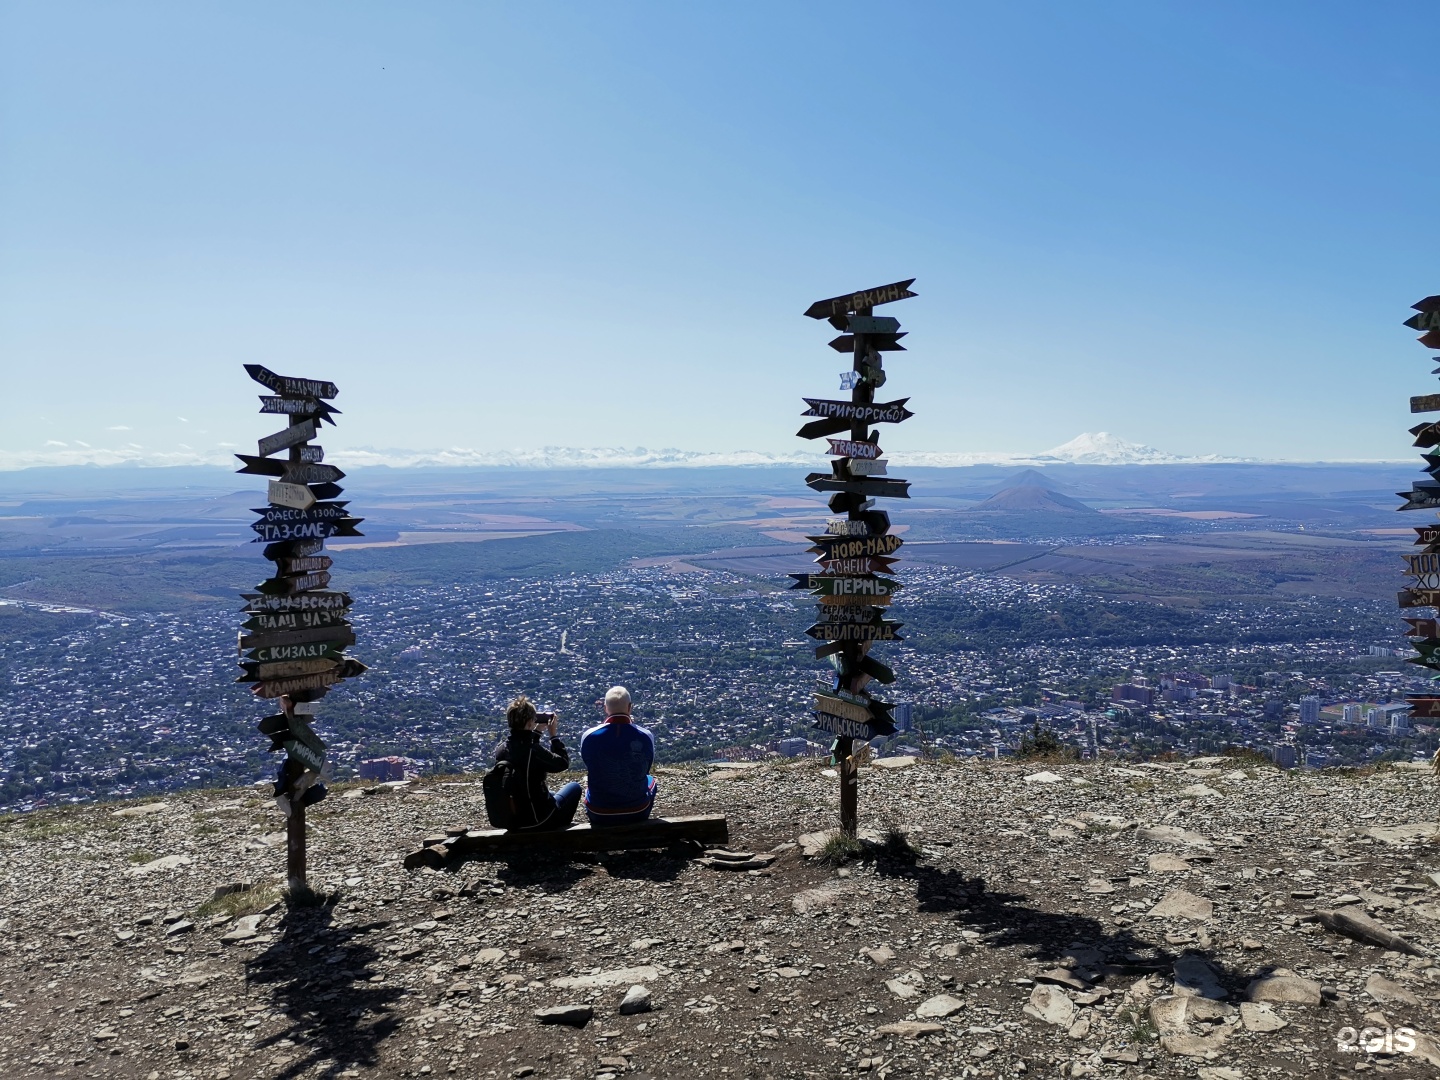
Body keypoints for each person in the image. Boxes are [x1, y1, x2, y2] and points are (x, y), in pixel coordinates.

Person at [495, 695, 581, 831]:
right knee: (574, 787)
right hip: (539, 820)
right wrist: (554, 737)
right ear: (530, 723)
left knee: (551, 792)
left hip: (513, 819)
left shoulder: (501, 749)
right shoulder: (534, 751)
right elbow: (563, 763)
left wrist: (537, 732)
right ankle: (557, 825)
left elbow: (522, 749)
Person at [580, 685, 657, 827]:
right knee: (651, 780)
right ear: (630, 707)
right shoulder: (645, 736)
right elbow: (645, 769)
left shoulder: (589, 736)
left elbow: (590, 764)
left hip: (598, 812)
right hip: (637, 811)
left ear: (605, 708)